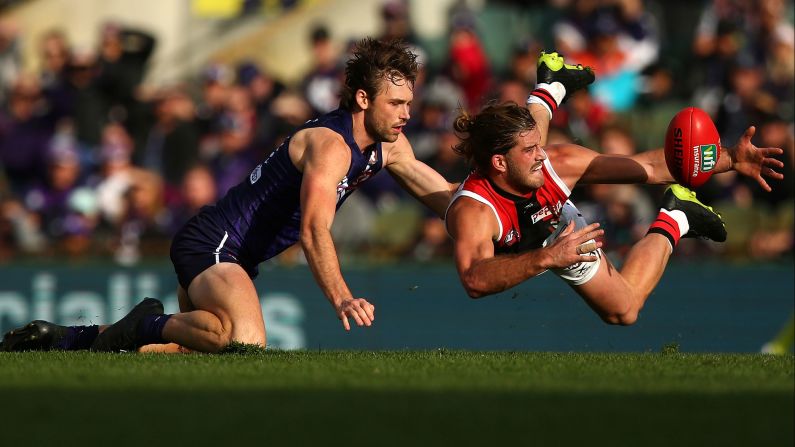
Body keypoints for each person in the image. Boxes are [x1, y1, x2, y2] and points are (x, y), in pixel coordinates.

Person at [1, 44, 594, 353]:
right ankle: (144, 324)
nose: (407, 112)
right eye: (396, 103)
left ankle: (77, 338)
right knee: (246, 342)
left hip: (235, 259)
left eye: (409, 102)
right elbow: (314, 230)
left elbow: (447, 197)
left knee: (205, 350)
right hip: (213, 248)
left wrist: (508, 220)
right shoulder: (330, 146)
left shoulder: (388, 145)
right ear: (363, 100)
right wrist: (341, 296)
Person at [445, 100, 784, 325]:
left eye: (539, 144)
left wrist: (730, 159)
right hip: (544, 248)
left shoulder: (557, 163)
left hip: (554, 228)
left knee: (624, 311)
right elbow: (474, 280)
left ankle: (676, 214)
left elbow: (647, 167)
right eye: (530, 149)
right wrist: (547, 258)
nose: (541, 154)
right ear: (500, 162)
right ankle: (550, 86)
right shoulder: (474, 210)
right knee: (430, 188)